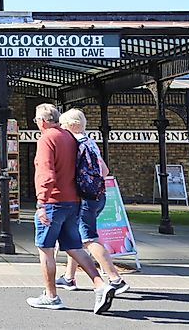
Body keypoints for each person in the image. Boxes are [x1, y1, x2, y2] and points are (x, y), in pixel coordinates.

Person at [27, 103, 116, 314]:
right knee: (74, 247)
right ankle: (101, 285)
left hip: (53, 201)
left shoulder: (47, 138)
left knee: (46, 249)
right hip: (74, 200)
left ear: (42, 121)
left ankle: (51, 296)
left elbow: (45, 172)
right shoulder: (69, 137)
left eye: (36, 121)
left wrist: (41, 202)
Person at [55, 109, 130, 295]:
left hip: (84, 198)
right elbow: (104, 171)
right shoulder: (90, 142)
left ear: (71, 125)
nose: (62, 129)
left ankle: (115, 279)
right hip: (98, 195)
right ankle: (69, 277)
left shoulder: (73, 144)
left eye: (63, 125)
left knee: (89, 238)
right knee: (76, 237)